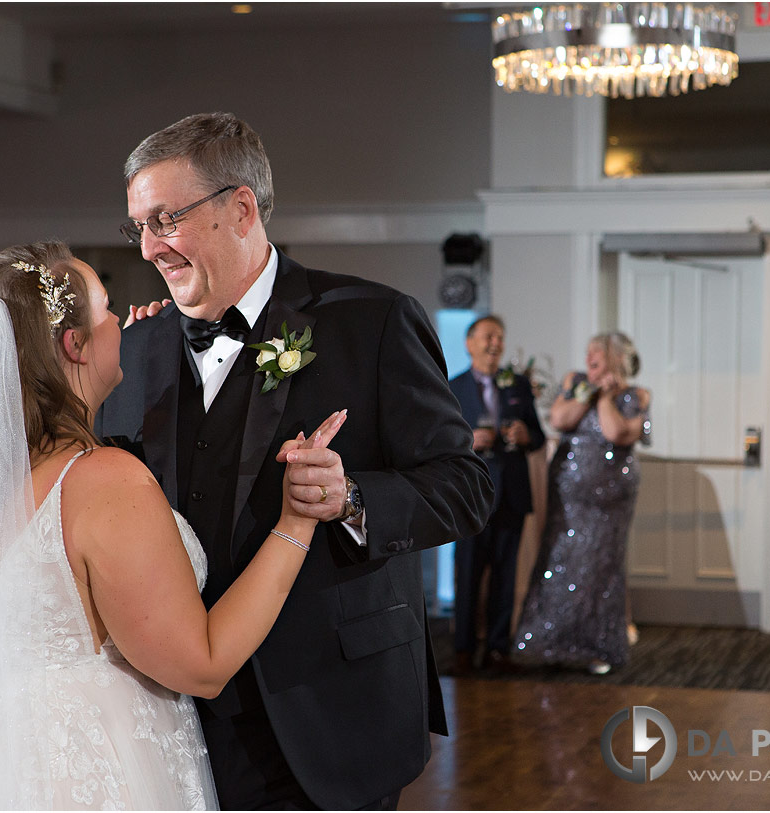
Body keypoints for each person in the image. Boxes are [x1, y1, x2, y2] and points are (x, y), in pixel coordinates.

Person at [0, 241, 346, 810]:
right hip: (74, 768)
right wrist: (296, 520)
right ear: (74, 344)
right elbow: (201, 664)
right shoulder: (103, 481)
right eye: (107, 308)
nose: (123, 321)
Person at [99, 112, 492, 810]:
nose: (150, 246)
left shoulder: (372, 322)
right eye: (139, 226)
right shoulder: (136, 348)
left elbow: (465, 485)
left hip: (333, 712)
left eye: (166, 218)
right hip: (168, 720)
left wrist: (352, 498)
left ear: (241, 208)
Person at [514, 332, 651, 675]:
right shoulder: (574, 381)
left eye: (599, 353)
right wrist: (589, 392)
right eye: (589, 350)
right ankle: (551, 642)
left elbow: (616, 433)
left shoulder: (635, 395)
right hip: (568, 496)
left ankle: (597, 646)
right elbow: (560, 420)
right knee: (560, 561)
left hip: (611, 502)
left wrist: (606, 397)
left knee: (601, 567)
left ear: (618, 359)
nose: (590, 356)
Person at [448, 315, 545, 675]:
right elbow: (436, 440)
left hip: (511, 495)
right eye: (488, 336)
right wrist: (468, 440)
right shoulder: (452, 387)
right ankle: (463, 651)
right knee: (468, 576)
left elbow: (539, 436)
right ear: (469, 343)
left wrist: (525, 436)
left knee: (506, 577)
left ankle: (498, 650)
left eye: (500, 337)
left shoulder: (516, 384)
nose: (495, 343)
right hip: (470, 497)